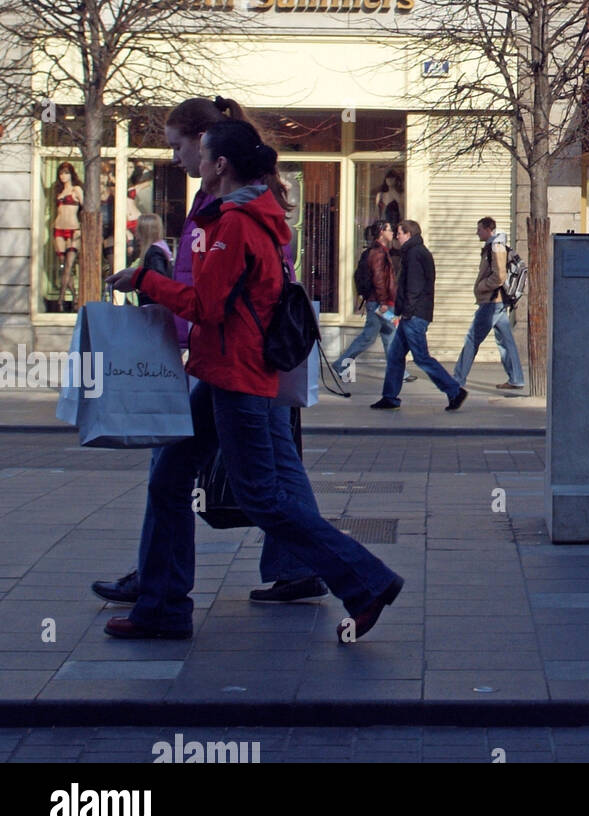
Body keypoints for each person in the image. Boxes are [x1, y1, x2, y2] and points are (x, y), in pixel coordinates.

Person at [106, 119, 403, 642]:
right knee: (169, 480)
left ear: (220, 165)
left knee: (262, 498)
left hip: (237, 375)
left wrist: (145, 281)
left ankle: (366, 580)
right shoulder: (241, 216)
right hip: (223, 372)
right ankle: (162, 608)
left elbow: (207, 306)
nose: (194, 161)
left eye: (200, 154)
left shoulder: (239, 224)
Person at [92, 96, 325, 610]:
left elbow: (213, 294)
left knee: (182, 473)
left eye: (178, 146)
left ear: (206, 145)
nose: (175, 158)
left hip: (229, 358)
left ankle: (163, 581)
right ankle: (295, 567)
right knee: (260, 472)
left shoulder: (233, 206)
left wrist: (153, 288)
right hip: (229, 356)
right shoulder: (230, 197)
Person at [373, 220, 465, 411]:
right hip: (413, 314)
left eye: (399, 232)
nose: (397, 236)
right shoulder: (416, 252)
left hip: (414, 316)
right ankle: (389, 397)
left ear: (408, 234)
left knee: (421, 357)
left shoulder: (415, 254)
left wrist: (406, 311)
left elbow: (414, 286)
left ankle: (454, 390)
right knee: (395, 355)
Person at [450, 217, 526, 392]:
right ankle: (516, 379)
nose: (477, 232)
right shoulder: (493, 246)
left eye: (479, 229)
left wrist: (481, 287)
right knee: (506, 341)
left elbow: (499, 276)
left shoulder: (496, 247)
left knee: (472, 339)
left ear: (488, 230)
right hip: (496, 301)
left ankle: (457, 379)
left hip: (491, 302)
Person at [333, 221, 398, 377]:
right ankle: (341, 363)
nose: (393, 233)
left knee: (389, 335)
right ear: (382, 232)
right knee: (369, 337)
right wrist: (383, 302)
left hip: (380, 302)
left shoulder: (380, 251)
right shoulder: (378, 253)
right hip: (379, 303)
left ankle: (398, 372)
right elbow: (379, 279)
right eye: (390, 229)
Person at [51, 162, 83, 311]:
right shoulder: (59, 191)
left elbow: (85, 209)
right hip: (58, 229)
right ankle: (75, 297)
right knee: (64, 265)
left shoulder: (76, 189)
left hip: (73, 230)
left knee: (68, 266)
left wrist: (82, 229)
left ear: (72, 174)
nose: (63, 176)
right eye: (61, 173)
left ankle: (60, 299)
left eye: (66, 173)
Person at [132, 213, 172, 305]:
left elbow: (158, 282)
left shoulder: (154, 253)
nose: (135, 233)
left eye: (137, 229)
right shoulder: (160, 250)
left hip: (154, 307)